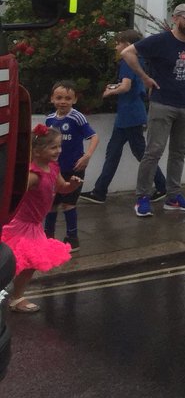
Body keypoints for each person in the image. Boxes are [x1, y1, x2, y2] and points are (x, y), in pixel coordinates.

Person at [122, 3, 185, 217]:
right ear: (175, 18)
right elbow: (128, 53)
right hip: (163, 104)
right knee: (153, 151)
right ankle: (142, 197)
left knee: (178, 153)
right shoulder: (160, 41)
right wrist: (144, 77)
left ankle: (173, 197)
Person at [82, 29, 168, 205]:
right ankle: (100, 191)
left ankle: (162, 186)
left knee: (140, 154)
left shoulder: (127, 61)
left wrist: (109, 91)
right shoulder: (140, 61)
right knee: (115, 153)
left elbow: (126, 86)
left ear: (127, 45)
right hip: (130, 114)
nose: (115, 45)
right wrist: (115, 86)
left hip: (129, 116)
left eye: (118, 42)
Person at [0, 124, 78, 312]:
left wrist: (72, 186)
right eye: (53, 147)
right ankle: (14, 297)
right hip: (20, 225)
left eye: (59, 146)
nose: (58, 150)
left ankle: (16, 298)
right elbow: (10, 193)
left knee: (28, 264)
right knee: (15, 263)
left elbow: (61, 187)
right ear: (36, 150)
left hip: (35, 225)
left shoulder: (53, 168)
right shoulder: (32, 175)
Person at [43, 80, 96, 248]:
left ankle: (72, 239)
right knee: (51, 204)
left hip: (74, 169)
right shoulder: (49, 120)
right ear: (52, 99)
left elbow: (94, 137)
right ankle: (48, 238)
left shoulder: (77, 117)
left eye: (67, 98)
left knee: (68, 204)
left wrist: (87, 156)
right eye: (59, 97)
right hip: (54, 170)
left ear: (74, 100)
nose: (63, 101)